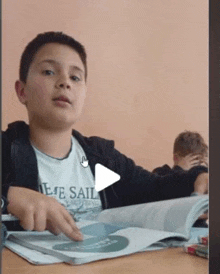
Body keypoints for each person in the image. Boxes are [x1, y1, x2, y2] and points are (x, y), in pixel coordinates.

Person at [2, 32, 208, 241]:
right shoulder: (5, 150)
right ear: (22, 91)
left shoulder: (102, 157)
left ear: (84, 94)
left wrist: (197, 177)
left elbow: (154, 188)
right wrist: (7, 197)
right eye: (49, 71)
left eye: (75, 77)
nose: (65, 82)